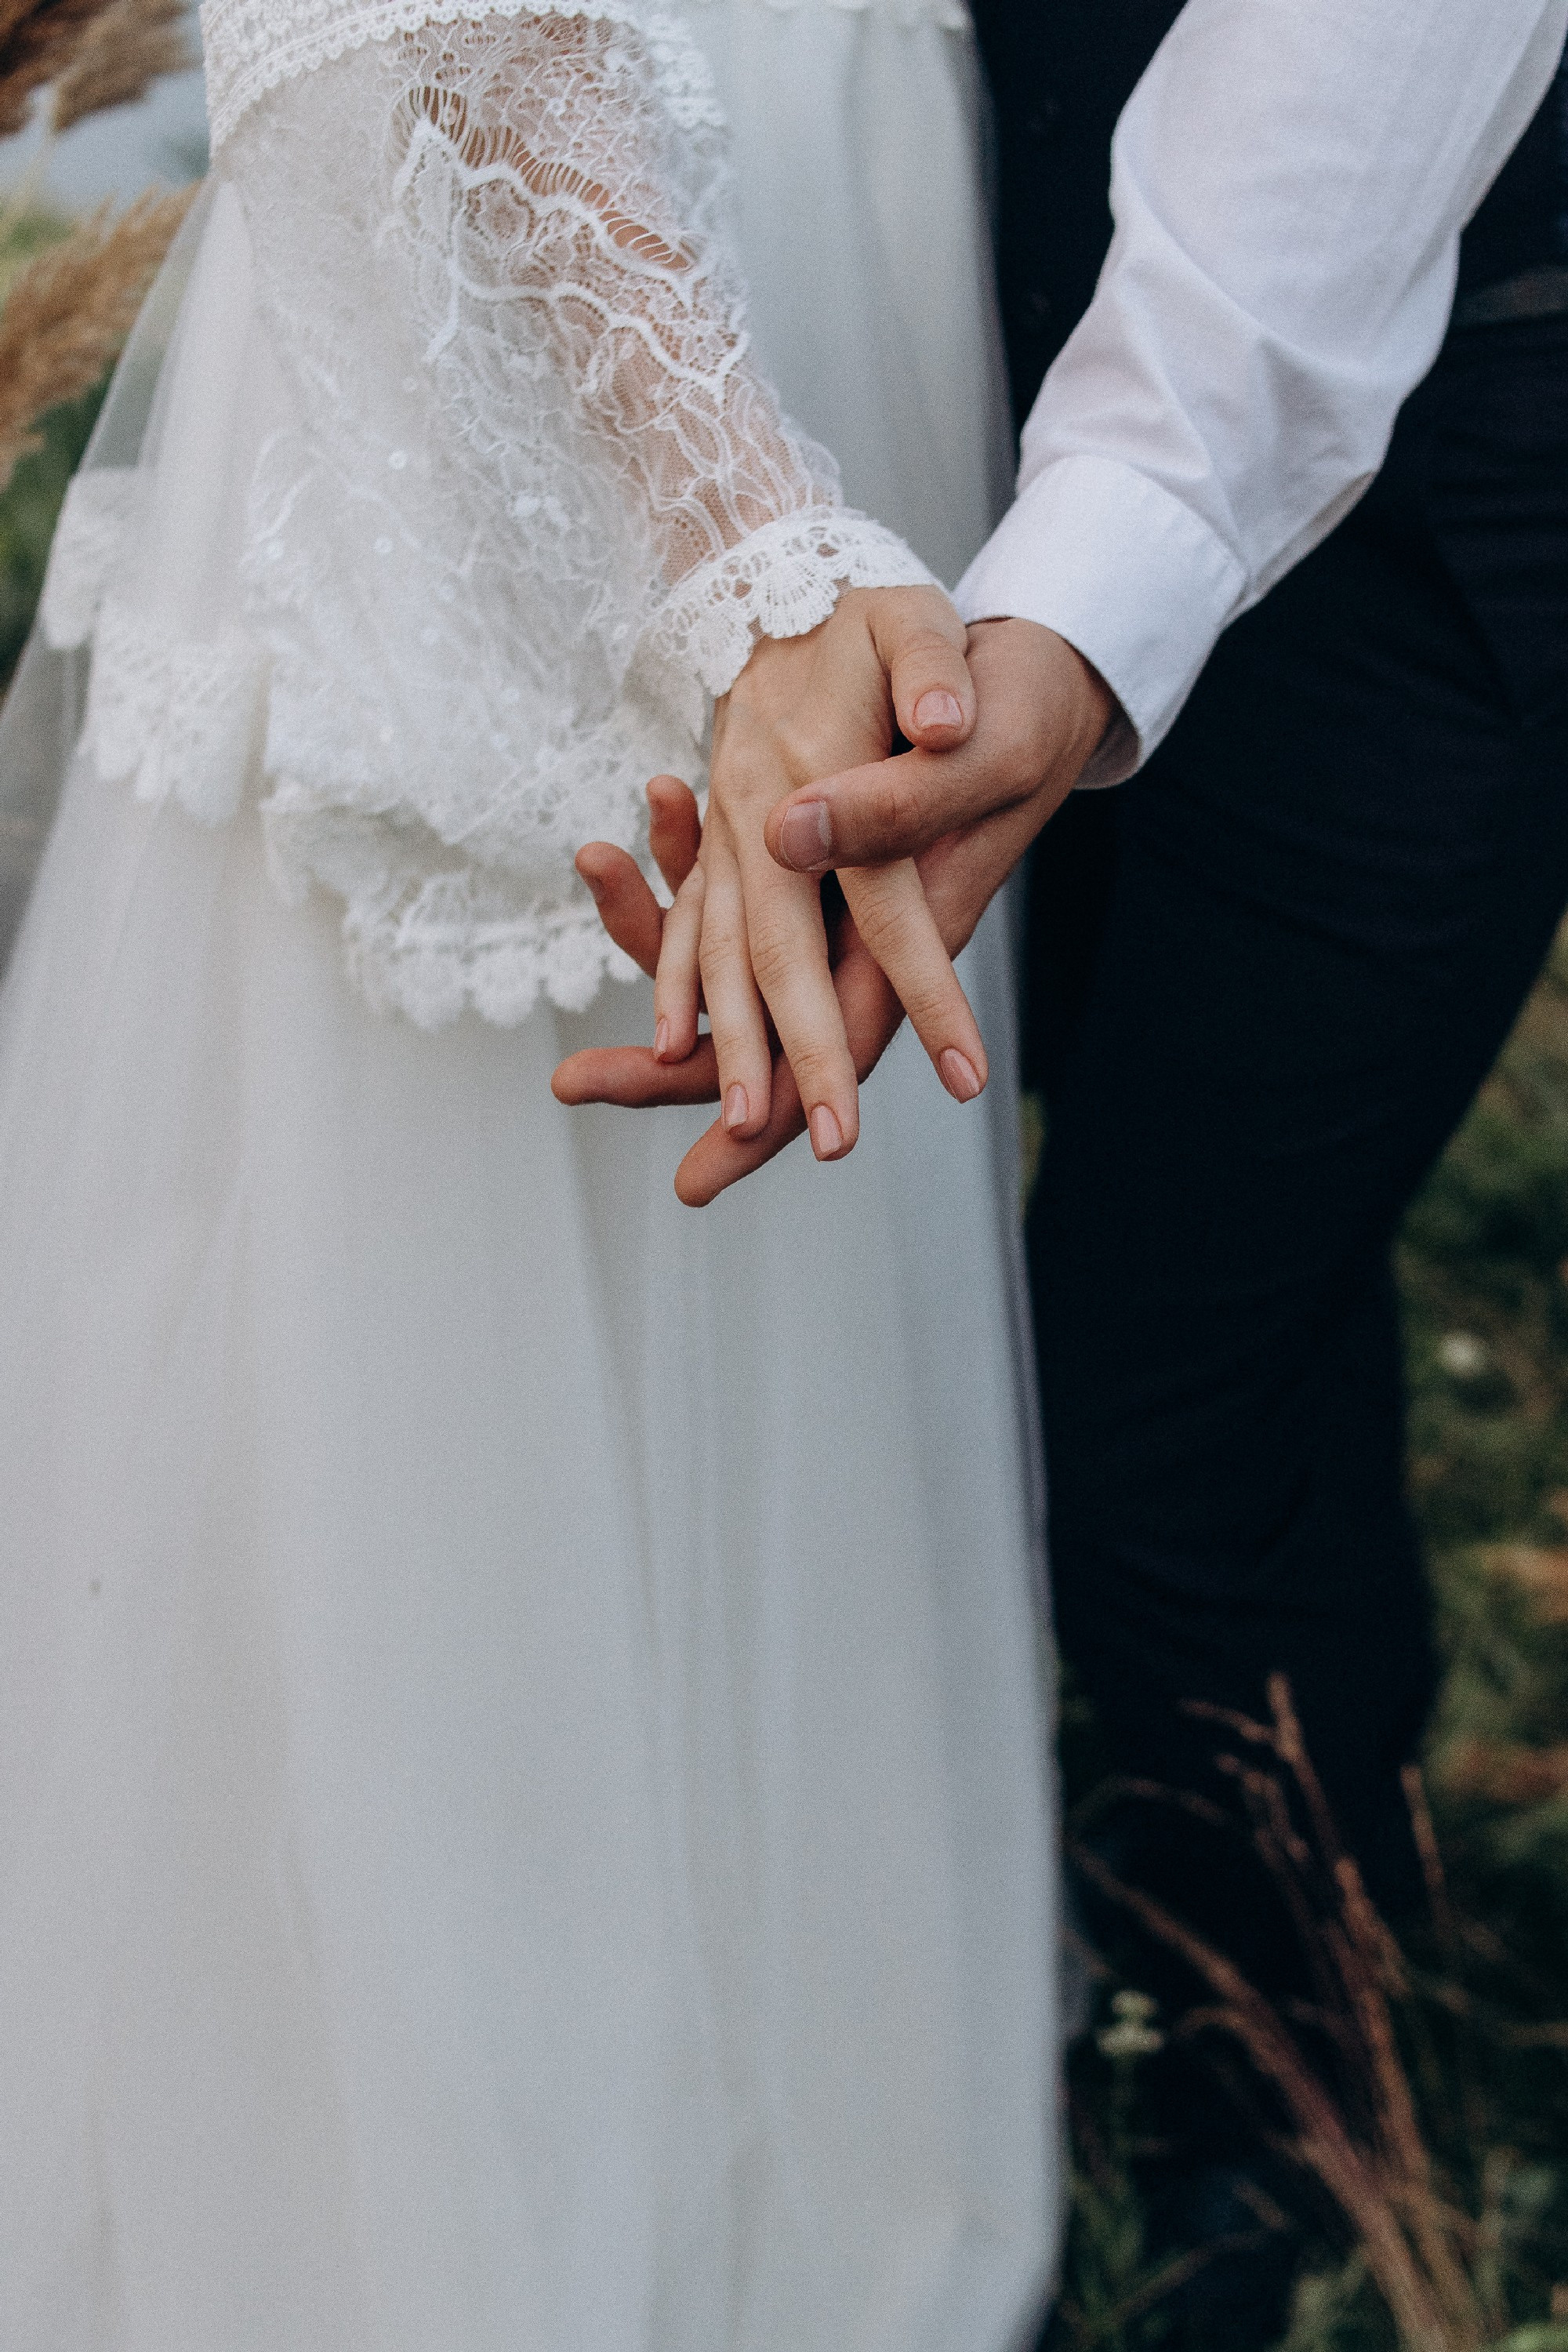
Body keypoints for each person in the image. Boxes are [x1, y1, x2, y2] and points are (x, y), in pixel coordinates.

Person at [0, 0, 1062, 2339]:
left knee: (782, 1163)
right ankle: (401, 2215)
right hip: (520, 187)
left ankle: (750, 2141)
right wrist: (745, 545)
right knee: (416, 1251)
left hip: (829, 178)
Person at [559, 0, 1568, 2332]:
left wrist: (1073, 615)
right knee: (1077, 1267)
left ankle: (1284, 2079)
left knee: (1171, 1354)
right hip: (913, 362)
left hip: (1425, 424)